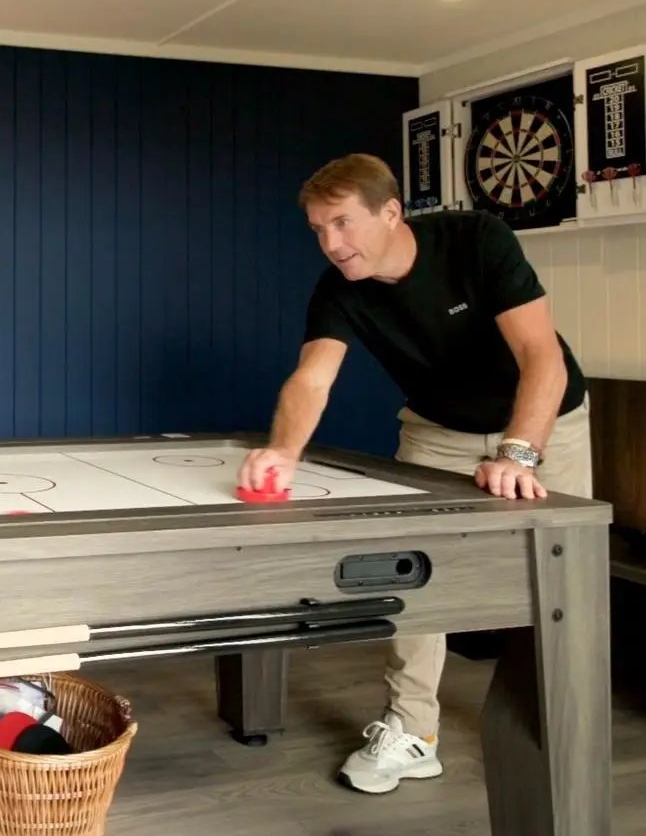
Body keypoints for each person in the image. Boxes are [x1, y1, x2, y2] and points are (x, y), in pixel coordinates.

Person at [237, 152, 591, 795]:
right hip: (437, 430)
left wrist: (519, 453)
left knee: (563, 577)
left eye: (342, 223)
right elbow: (312, 379)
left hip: (546, 419)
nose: (330, 244)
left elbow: (541, 353)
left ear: (391, 212)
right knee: (414, 573)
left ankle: (569, 726)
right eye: (318, 229)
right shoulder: (339, 288)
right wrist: (283, 451)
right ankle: (413, 732)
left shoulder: (476, 239)